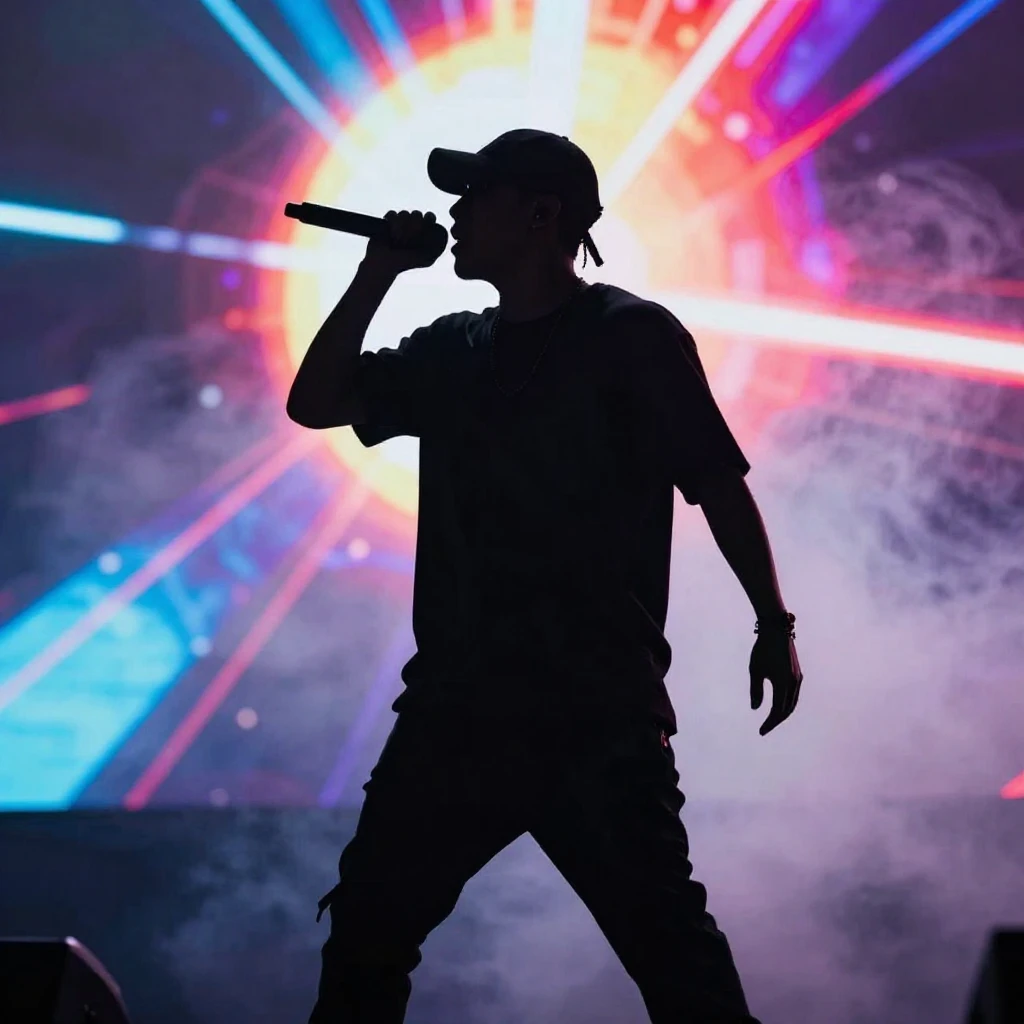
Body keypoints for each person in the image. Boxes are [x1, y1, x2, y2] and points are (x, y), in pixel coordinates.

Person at [288, 129, 803, 1024]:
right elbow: (316, 403)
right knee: (368, 934)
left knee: (672, 955)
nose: (455, 213)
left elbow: (717, 484)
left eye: (475, 195)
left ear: (540, 215)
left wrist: (774, 624)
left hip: (591, 708)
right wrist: (378, 272)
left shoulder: (629, 335)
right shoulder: (452, 348)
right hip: (458, 708)